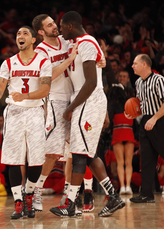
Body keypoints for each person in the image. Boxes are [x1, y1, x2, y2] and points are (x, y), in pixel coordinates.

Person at [49, 11, 125, 217]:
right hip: (88, 101)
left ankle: (71, 203)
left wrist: (71, 107)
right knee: (87, 153)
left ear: (71, 26)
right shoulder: (77, 43)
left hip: (87, 101)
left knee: (80, 154)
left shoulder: (87, 43)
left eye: (62, 27)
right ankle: (113, 197)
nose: (60, 30)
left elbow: (91, 82)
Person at [31, 14, 103, 213]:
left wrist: (101, 60)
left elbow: (90, 53)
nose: (55, 26)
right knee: (53, 152)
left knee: (78, 151)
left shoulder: (66, 40)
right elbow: (50, 75)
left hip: (76, 98)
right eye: (49, 25)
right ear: (40, 31)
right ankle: (36, 190)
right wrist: (69, 59)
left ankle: (74, 195)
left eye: (54, 23)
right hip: (56, 100)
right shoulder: (40, 50)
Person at [0, 25, 52, 219]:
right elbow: (0, 86)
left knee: (36, 159)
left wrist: (25, 95)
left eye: (25, 33)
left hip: (34, 111)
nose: (20, 36)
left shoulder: (43, 61)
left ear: (34, 40)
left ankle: (29, 194)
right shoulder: (8, 63)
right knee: (13, 158)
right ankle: (17, 201)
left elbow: (45, 90)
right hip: (14, 112)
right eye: (18, 34)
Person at [127, 54, 164, 203]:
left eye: (135, 63)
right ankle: (146, 194)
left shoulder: (159, 80)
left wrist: (155, 118)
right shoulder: (137, 83)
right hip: (145, 121)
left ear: (144, 64)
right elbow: (141, 106)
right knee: (147, 160)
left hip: (159, 120)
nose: (132, 66)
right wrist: (132, 114)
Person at [108, 70, 136, 195]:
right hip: (123, 130)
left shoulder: (130, 95)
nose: (121, 78)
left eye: (124, 76)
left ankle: (126, 186)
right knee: (124, 162)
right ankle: (125, 186)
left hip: (123, 130)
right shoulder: (122, 97)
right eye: (120, 76)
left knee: (124, 162)